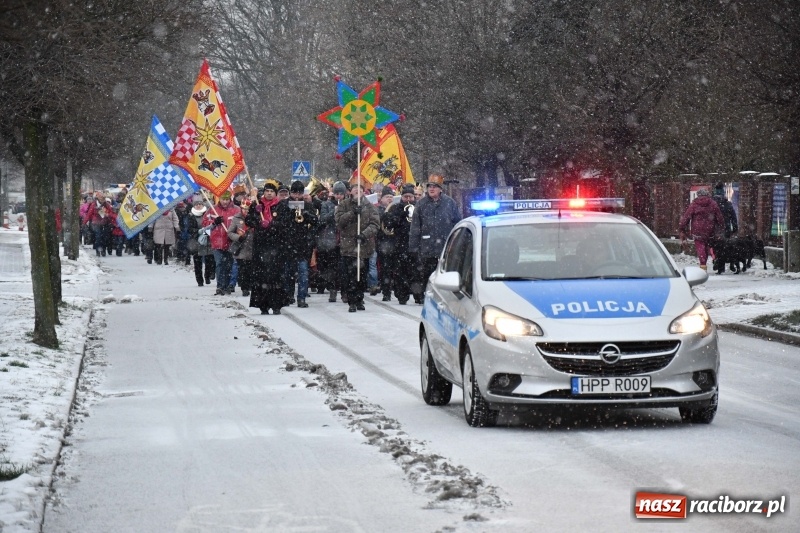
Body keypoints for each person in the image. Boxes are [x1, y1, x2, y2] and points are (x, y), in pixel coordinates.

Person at [408, 174, 461, 303]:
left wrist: (456, 244)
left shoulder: (450, 203)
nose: (432, 189)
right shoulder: (421, 204)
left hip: (445, 247)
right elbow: (415, 227)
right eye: (430, 186)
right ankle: (426, 297)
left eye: (435, 187)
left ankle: (444, 298)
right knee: (427, 274)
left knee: (445, 275)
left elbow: (457, 223)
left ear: (440, 189)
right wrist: (413, 248)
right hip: (426, 247)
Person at [335, 181, 380, 312]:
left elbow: (375, 224)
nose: (357, 192)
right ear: (350, 192)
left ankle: (360, 298)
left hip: (364, 247)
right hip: (348, 247)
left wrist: (364, 235)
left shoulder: (370, 207)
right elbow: (339, 222)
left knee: (362, 275)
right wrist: (352, 213)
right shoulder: (344, 205)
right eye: (355, 190)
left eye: (359, 190)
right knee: (349, 275)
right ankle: (351, 300)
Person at [247, 180, 288, 314]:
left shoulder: (281, 206)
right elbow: (248, 221)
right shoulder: (257, 204)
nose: (269, 194)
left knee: (275, 275)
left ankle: (276, 304)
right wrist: (258, 219)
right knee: (261, 275)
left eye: (271, 191)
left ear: (275, 194)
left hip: (276, 245)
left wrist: (271, 225)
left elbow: (285, 223)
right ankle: (263, 305)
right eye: (267, 191)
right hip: (261, 245)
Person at [279, 180, 318, 308]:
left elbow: (315, 222)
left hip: (302, 245)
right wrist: (289, 215)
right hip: (287, 244)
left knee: (303, 273)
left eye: (299, 193)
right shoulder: (283, 204)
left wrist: (307, 215)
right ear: (291, 193)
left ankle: (301, 298)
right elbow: (278, 223)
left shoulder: (307, 205)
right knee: (288, 273)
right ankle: (288, 296)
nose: (297, 196)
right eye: (294, 193)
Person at [381, 184, 417, 304]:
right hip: (400, 244)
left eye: (410, 197)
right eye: (405, 196)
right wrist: (400, 216)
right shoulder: (396, 208)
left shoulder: (418, 207)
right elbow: (389, 224)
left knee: (416, 271)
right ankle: (402, 295)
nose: (408, 199)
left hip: (415, 245)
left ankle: (418, 295)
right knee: (401, 272)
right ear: (401, 197)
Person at [203, 190, 241, 295]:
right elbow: (205, 224)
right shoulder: (212, 209)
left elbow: (241, 223)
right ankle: (219, 286)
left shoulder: (236, 210)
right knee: (219, 264)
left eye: (227, 199)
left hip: (231, 242)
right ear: (219, 199)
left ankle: (227, 285)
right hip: (217, 242)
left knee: (229, 264)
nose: (225, 201)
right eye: (223, 199)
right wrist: (214, 222)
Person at [679, 188, 724, 271]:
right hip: (710, 230)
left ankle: (703, 265)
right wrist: (721, 227)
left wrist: (682, 228)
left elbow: (686, 217)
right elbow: (719, 217)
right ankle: (711, 259)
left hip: (697, 231)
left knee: (700, 248)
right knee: (708, 247)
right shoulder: (713, 204)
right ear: (707, 195)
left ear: (698, 195)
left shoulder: (694, 204)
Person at [317, 181, 345, 302]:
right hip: (331, 239)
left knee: (344, 267)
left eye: (341, 194)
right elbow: (322, 219)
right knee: (332, 267)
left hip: (344, 238)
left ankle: (345, 292)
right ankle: (332, 290)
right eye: (337, 193)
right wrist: (333, 212)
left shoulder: (348, 204)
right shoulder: (327, 204)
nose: (339, 196)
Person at [227, 197, 255, 297]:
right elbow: (230, 232)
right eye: (244, 209)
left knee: (251, 269)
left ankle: (250, 285)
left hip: (253, 247)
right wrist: (238, 237)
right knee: (243, 270)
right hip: (241, 248)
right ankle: (245, 288)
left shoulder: (255, 217)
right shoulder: (237, 218)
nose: (246, 211)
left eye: (248, 209)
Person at [187, 197, 215, 286]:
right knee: (197, 262)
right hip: (196, 241)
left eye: (200, 204)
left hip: (207, 240)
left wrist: (205, 233)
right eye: (196, 204)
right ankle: (199, 280)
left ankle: (207, 276)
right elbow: (189, 229)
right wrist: (198, 232)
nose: (198, 206)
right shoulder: (190, 216)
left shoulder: (207, 214)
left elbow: (211, 226)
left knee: (209, 260)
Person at [375, 189, 396, 300]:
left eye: (391, 196)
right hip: (383, 243)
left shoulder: (396, 209)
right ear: (381, 199)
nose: (389, 198)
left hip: (395, 243)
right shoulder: (378, 210)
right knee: (385, 268)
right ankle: (386, 292)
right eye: (387, 196)